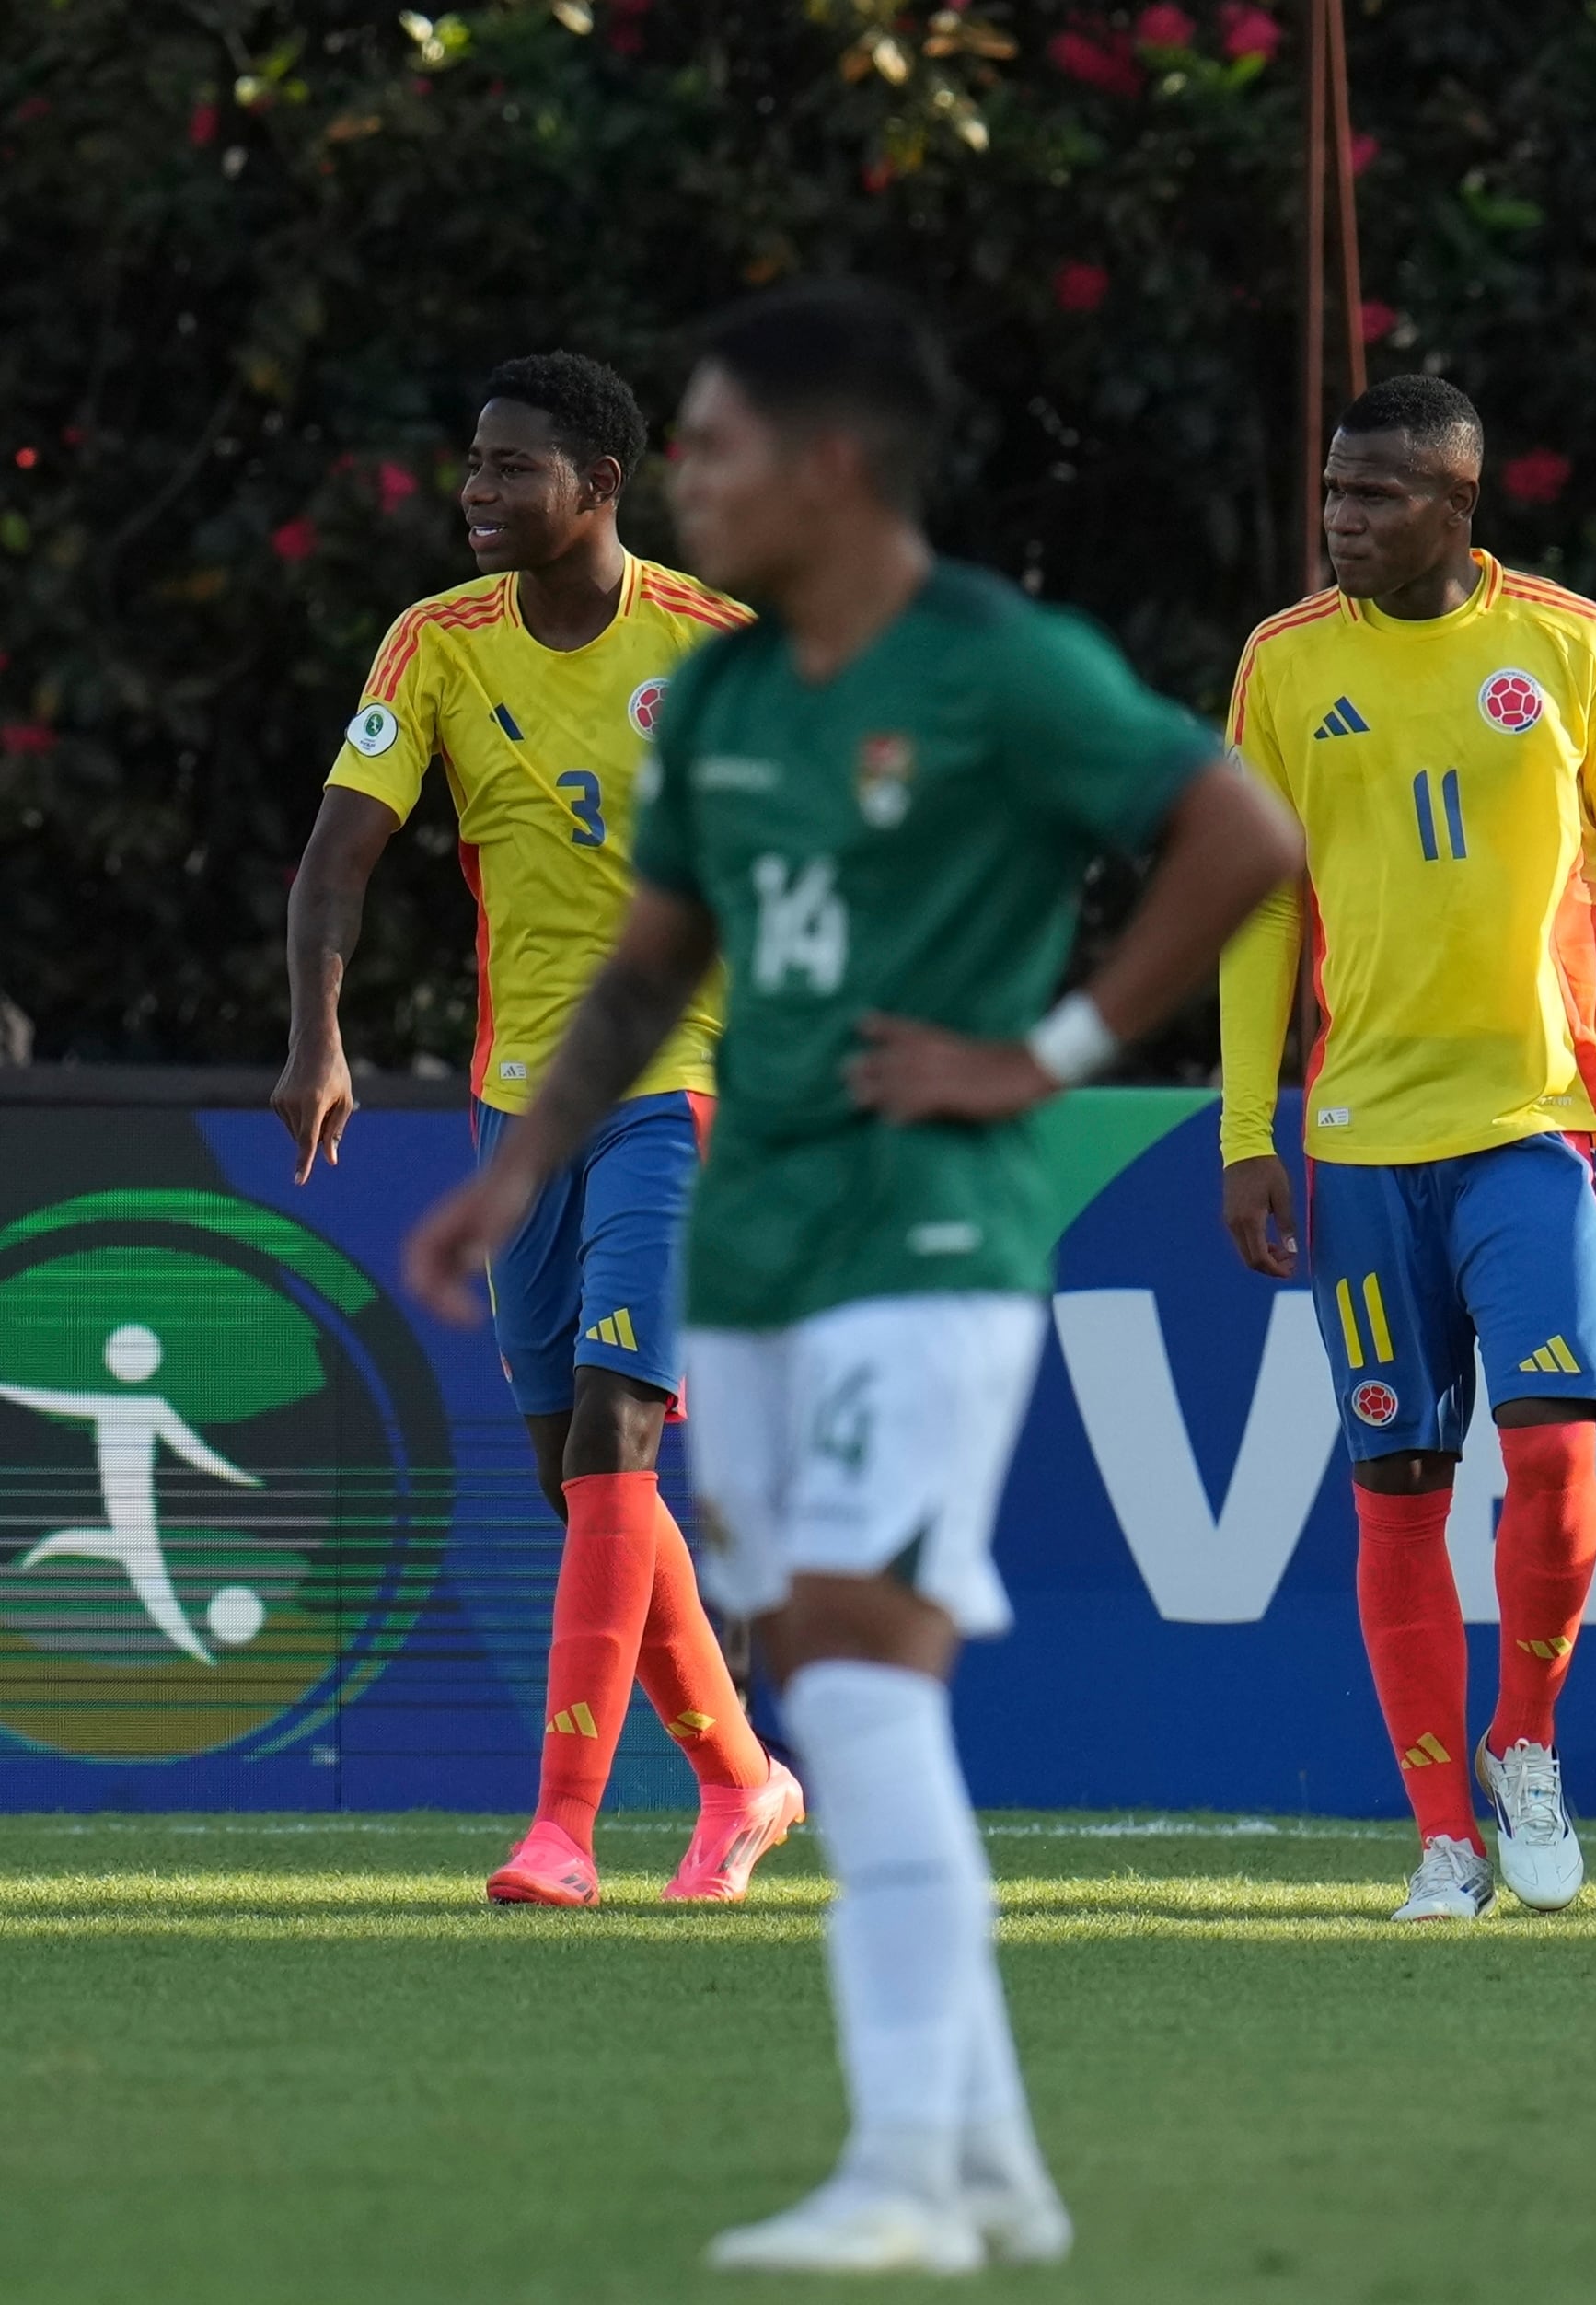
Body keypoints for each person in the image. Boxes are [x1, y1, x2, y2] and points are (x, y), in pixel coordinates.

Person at [403, 280, 1301, 2273]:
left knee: (865, 1680)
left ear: (827, 465)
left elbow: (1240, 831)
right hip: (762, 1238)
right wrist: (519, 1166)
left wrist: (1052, 1054)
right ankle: (986, 2168)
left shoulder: (995, 660)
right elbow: (653, 963)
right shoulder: (724, 697)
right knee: (827, 1661)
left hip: (923, 1231)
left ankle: (908, 2164)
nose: (689, 484)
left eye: (715, 447)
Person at [272, 352, 795, 1906]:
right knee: (580, 1487)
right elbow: (334, 864)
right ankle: (743, 1782)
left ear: (602, 488)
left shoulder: (715, 649)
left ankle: (562, 1828)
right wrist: (320, 1039)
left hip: (685, 1086)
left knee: (623, 1431)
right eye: (474, 466)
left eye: (512, 468)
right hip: (522, 1108)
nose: (478, 492)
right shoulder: (434, 646)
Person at [1220, 374, 1596, 1924]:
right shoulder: (1284, 666)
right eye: (1332, 492)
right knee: (1399, 1486)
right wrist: (1247, 1128)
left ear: (1456, 505)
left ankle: (1527, 1740)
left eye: (1373, 495)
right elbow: (1261, 903)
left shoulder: (1569, 645)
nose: (1340, 518)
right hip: (1362, 1142)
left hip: (1541, 1124)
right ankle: (1442, 1837)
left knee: (1559, 1452)